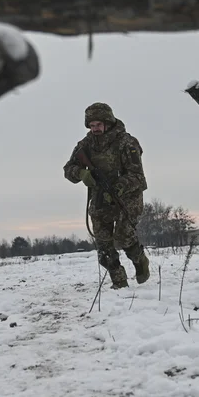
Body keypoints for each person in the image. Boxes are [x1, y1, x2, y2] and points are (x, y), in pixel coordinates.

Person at [63, 102, 150, 289]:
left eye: (98, 125)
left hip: (127, 198)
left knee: (124, 238)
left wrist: (118, 188)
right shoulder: (85, 145)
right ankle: (119, 284)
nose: (95, 129)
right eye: (92, 125)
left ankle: (140, 261)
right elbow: (68, 169)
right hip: (100, 198)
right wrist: (81, 174)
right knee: (104, 246)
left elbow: (137, 177)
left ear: (108, 122)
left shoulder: (127, 142)